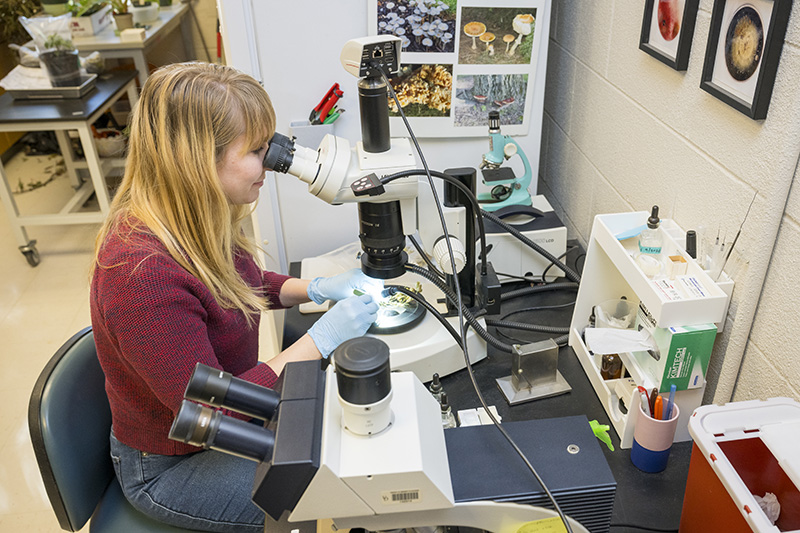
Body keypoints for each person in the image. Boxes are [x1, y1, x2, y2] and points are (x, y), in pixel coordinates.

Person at [90, 62, 382, 533]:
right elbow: (210, 409)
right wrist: (319, 341)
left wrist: (313, 288)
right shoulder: (139, 273)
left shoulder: (192, 214)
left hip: (222, 429)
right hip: (172, 463)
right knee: (327, 500)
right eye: (256, 150)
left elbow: (237, 280)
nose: (270, 162)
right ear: (199, 159)